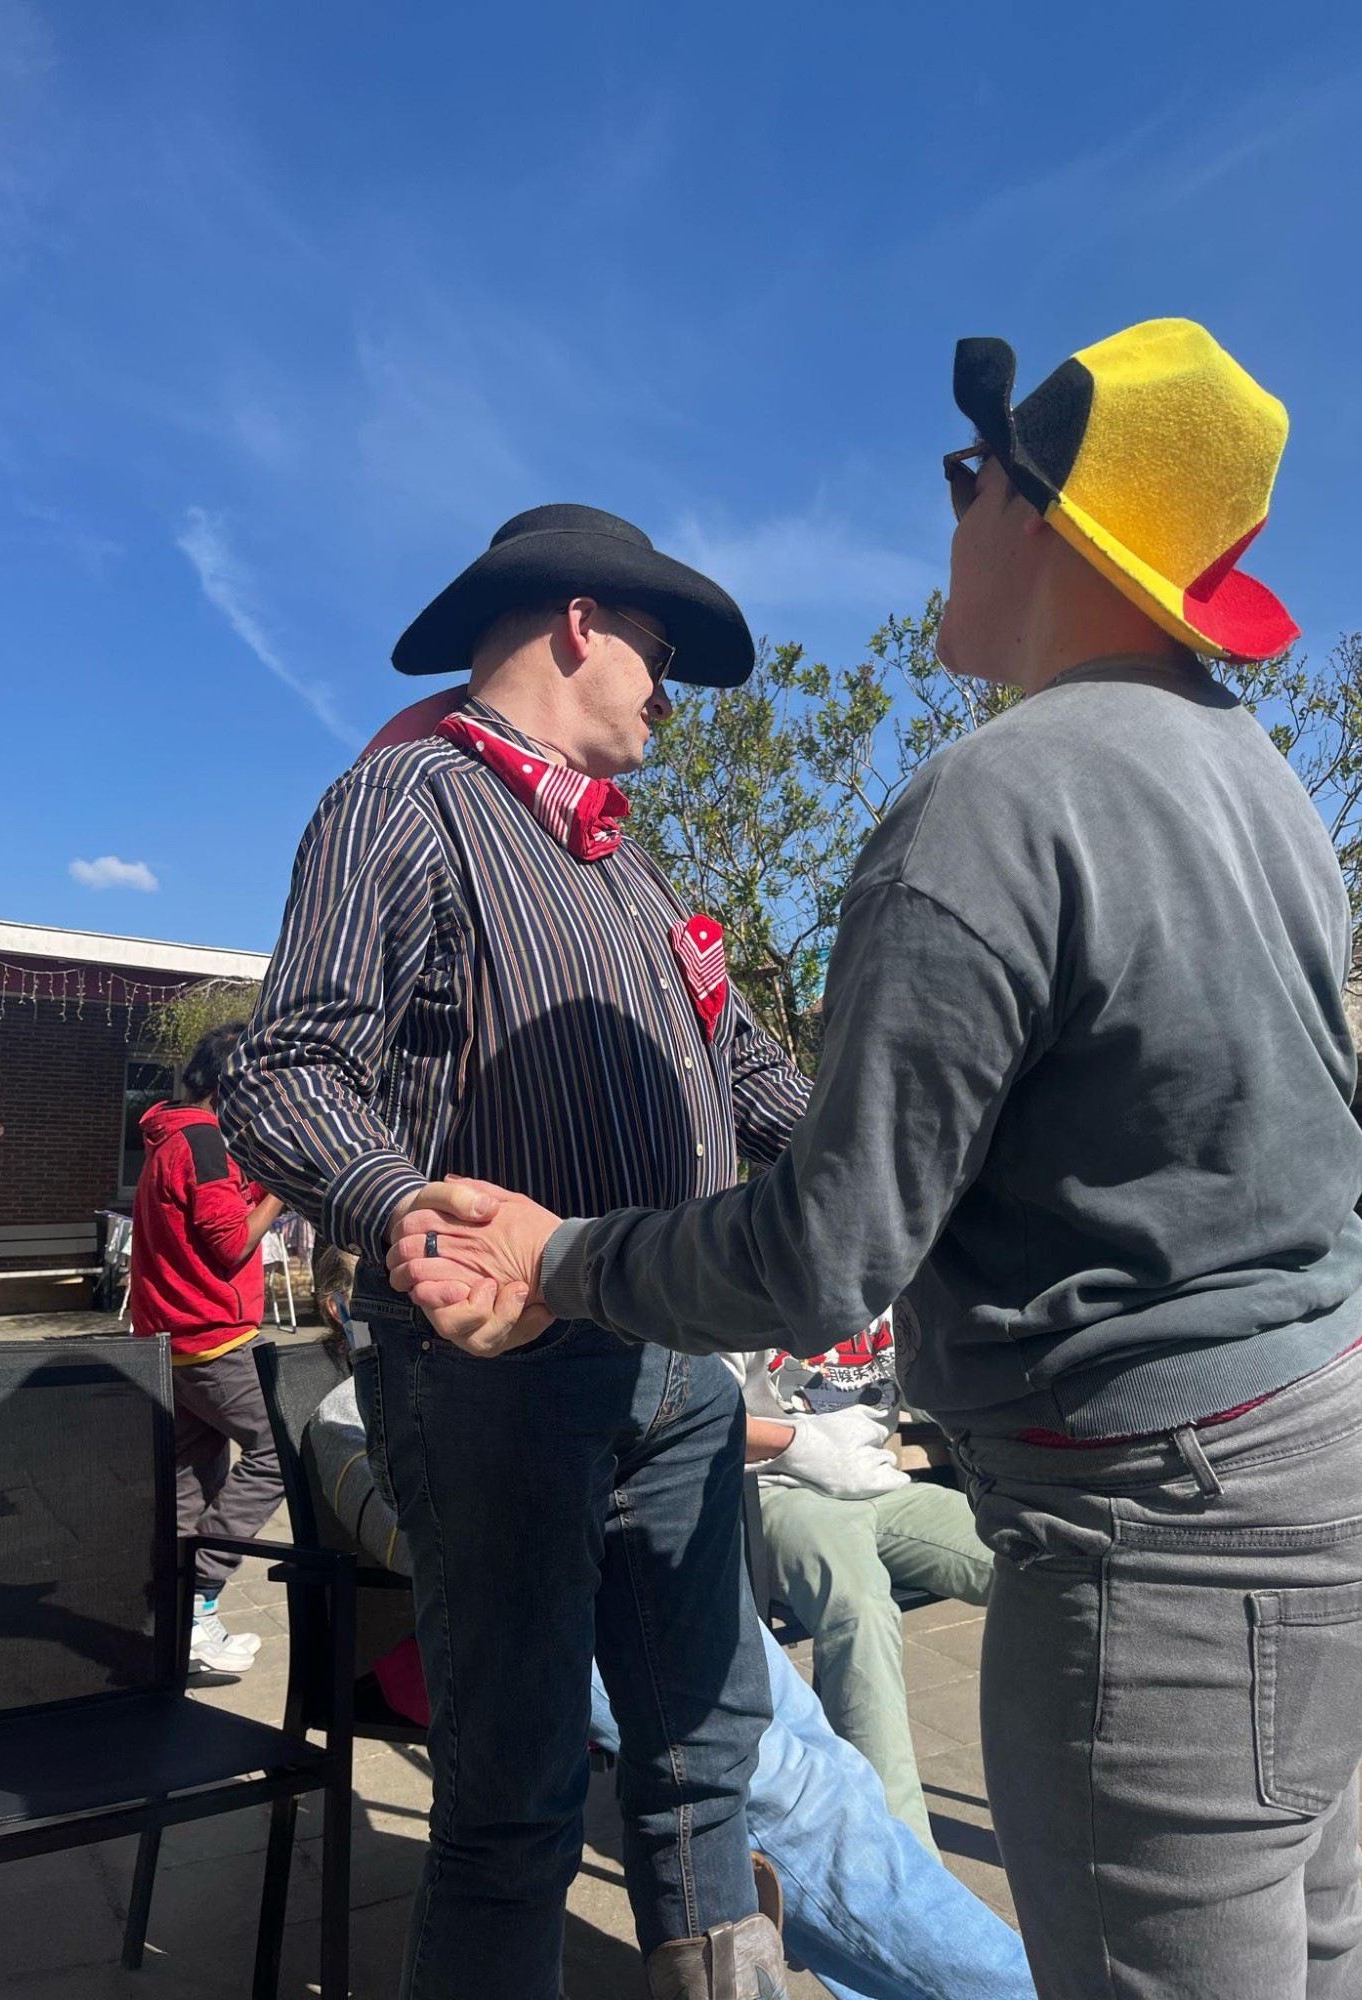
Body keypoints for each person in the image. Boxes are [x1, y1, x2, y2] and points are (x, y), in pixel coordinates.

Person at [393, 322, 1362, 2000]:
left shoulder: (990, 806)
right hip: (1347, 1454)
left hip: (1165, 1536)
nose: (948, 512)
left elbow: (829, 1254)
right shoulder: (1264, 785)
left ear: (1041, 517)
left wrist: (559, 1257)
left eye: (968, 477)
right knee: (1323, 1949)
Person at [219, 505, 814, 2000]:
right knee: (519, 1796)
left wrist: (922, 1153)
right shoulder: (403, 801)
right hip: (496, 1372)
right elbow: (285, 1070)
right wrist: (404, 1206)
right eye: (658, 653)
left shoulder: (630, 869)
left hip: (676, 1357)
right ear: (577, 622)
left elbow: (754, 1081)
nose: (669, 695)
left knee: (707, 1763)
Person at [304, 1243, 1036, 2000]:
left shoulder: (603, 1352)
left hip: (647, 1581)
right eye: (406, 1269)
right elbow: (426, 1542)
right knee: (781, 1792)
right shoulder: (348, 1409)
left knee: (823, 1769)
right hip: (525, 1617)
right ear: (349, 1310)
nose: (454, 1280)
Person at [731, 1317, 992, 1855]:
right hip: (781, 1493)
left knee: (1031, 1561)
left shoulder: (897, 1290)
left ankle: (1086, 1797)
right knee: (861, 1611)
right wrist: (796, 1441)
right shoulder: (736, 1283)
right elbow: (698, 1415)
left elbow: (938, 1388)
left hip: (884, 1487)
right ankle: (901, 1860)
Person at [128, 1021, 285, 1674]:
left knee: (192, 1481)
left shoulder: (173, 1136)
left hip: (171, 1340)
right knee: (280, 1450)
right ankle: (203, 1585)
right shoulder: (205, 1141)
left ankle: (178, 1627)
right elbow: (230, 1245)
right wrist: (283, 1188)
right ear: (231, 1086)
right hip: (212, 1341)